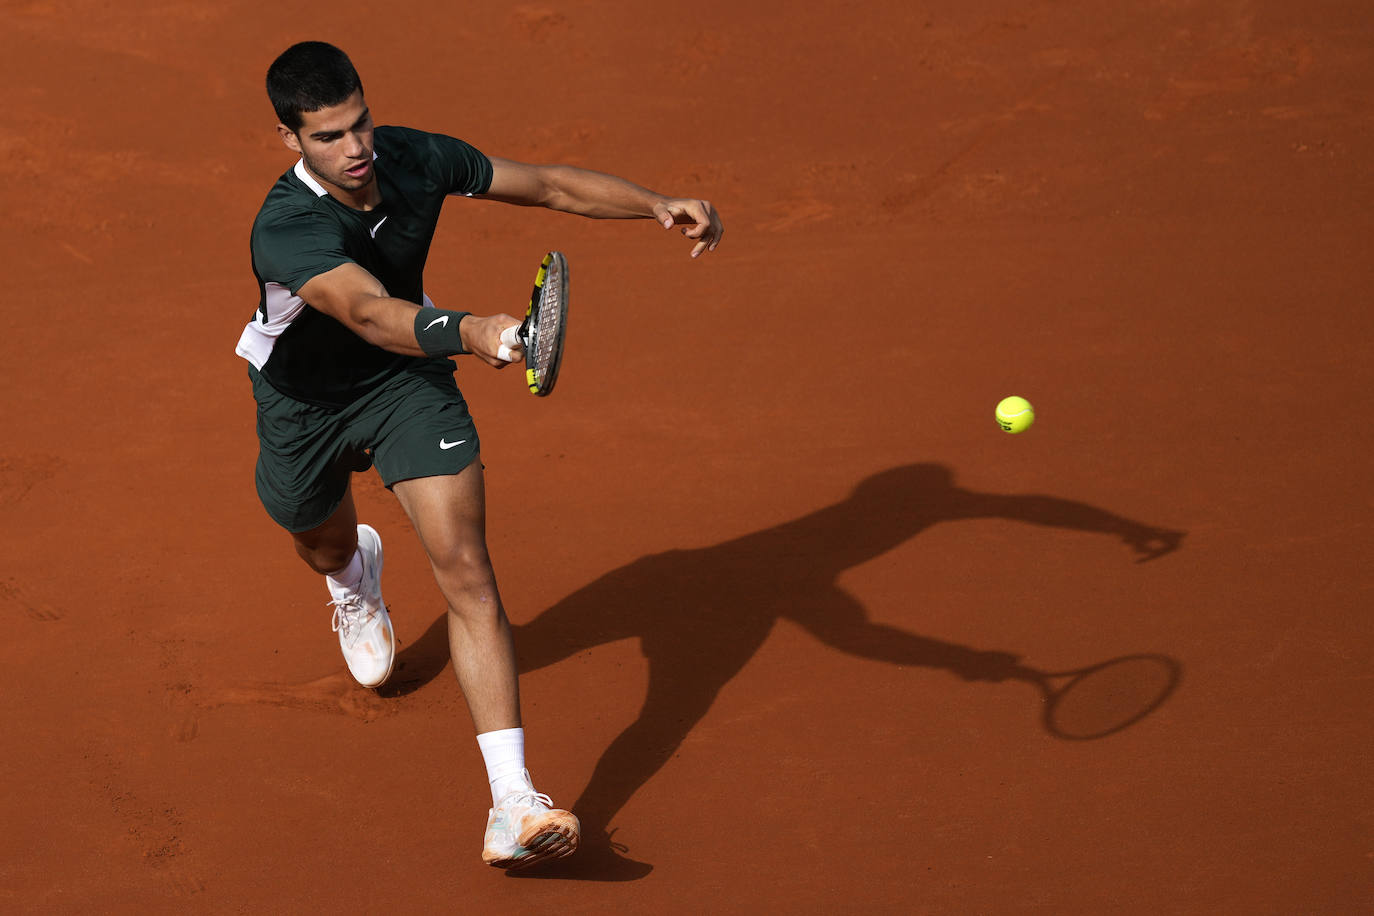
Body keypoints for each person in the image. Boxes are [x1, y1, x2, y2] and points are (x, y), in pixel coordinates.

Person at [235, 40, 722, 871]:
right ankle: (353, 578)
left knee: (467, 568)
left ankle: (512, 802)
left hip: (407, 385)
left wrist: (655, 204)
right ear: (291, 140)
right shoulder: (286, 228)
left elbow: (549, 184)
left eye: (360, 124)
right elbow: (366, 312)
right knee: (314, 534)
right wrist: (477, 330)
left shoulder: (414, 157)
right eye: (327, 137)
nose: (355, 151)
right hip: (304, 403)